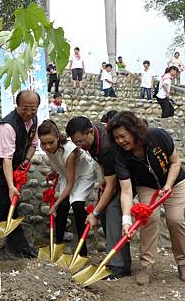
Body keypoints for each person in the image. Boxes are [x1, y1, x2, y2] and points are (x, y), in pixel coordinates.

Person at [107, 111, 185, 285]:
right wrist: (126, 221)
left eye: (123, 136)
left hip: (174, 182)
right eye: (116, 138)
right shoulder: (120, 155)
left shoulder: (157, 136)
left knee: (175, 220)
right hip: (148, 186)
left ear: (134, 130)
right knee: (149, 219)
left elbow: (176, 162)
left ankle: (183, 263)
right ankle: (146, 266)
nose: (120, 141)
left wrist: (168, 185)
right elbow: (126, 190)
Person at [66, 116, 131, 278]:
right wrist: (105, 177)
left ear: (90, 132)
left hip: (131, 175)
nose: (79, 146)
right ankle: (117, 259)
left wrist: (94, 213)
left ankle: (119, 266)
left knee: (113, 209)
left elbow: (112, 187)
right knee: (106, 212)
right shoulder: (92, 135)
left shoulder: (107, 146)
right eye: (75, 143)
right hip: (117, 173)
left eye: (80, 142)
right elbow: (101, 162)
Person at [0, 90, 40, 258]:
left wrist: (26, 161)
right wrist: (10, 186)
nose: (29, 113)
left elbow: (33, 144)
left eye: (33, 109)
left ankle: (17, 248)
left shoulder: (34, 120)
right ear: (17, 106)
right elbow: (6, 158)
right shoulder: (8, 125)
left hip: (14, 167)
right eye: (25, 109)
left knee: (10, 207)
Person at [38, 120, 96, 253]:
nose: (47, 146)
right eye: (44, 143)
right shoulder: (45, 146)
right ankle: (58, 245)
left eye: (51, 142)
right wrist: (53, 171)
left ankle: (82, 251)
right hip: (66, 173)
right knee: (63, 206)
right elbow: (54, 158)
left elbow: (70, 184)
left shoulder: (71, 152)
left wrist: (54, 204)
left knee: (77, 206)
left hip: (83, 174)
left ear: (58, 137)